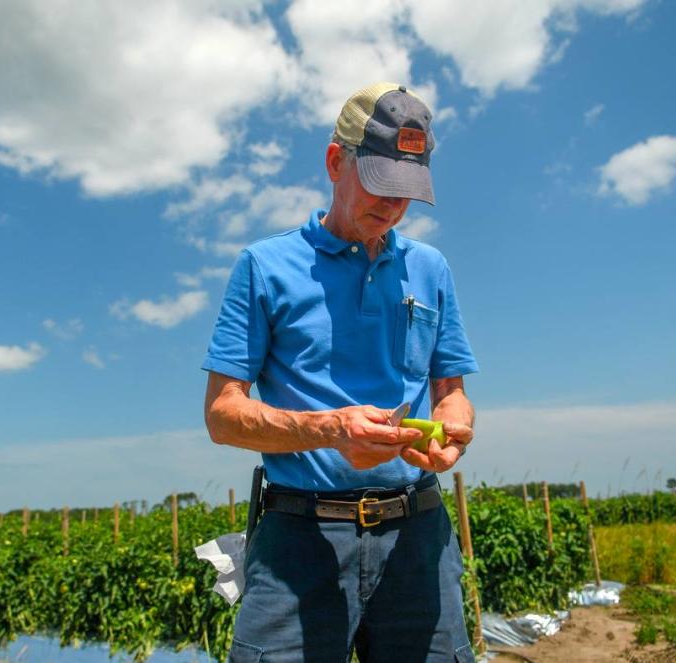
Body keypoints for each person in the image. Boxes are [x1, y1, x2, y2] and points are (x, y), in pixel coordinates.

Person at [202, 82, 479, 663]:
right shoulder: (264, 266)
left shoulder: (431, 269)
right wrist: (330, 430)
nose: (393, 207)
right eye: (380, 185)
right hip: (298, 543)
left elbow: (450, 391)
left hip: (417, 535)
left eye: (408, 193)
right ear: (335, 161)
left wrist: (452, 433)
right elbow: (223, 416)